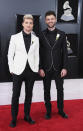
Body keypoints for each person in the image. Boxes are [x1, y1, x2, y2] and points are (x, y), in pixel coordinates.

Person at [8, 14, 39, 127]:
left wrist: (35, 68)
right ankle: (14, 118)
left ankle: (27, 116)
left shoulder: (36, 39)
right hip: (17, 71)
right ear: (22, 24)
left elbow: (36, 55)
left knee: (29, 95)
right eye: (26, 23)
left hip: (31, 71)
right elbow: (10, 55)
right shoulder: (14, 37)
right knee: (15, 95)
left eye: (30, 23)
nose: (28, 25)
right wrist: (11, 69)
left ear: (33, 25)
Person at [39, 11, 68, 119]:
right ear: (45, 21)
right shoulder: (41, 34)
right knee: (46, 90)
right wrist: (40, 67)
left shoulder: (62, 33)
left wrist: (64, 67)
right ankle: (48, 111)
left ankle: (61, 110)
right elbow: (38, 53)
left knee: (60, 90)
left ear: (55, 19)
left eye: (52, 18)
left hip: (58, 68)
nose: (50, 21)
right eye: (48, 19)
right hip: (45, 69)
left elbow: (65, 52)